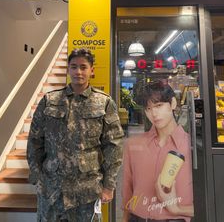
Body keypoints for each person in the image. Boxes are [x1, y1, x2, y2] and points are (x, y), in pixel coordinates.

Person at [27, 48, 124, 222]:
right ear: (68, 69)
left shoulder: (104, 102)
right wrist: (38, 178)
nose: (78, 71)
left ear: (91, 70)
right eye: (73, 67)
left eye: (83, 67)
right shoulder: (50, 101)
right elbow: (35, 141)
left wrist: (109, 185)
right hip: (52, 190)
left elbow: (113, 146)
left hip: (87, 192)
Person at [122, 80, 194, 222]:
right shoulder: (133, 145)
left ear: (173, 103)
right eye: (148, 109)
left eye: (159, 105)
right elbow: (127, 193)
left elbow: (211, 201)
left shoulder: (191, 147)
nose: (154, 113)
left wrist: (177, 209)